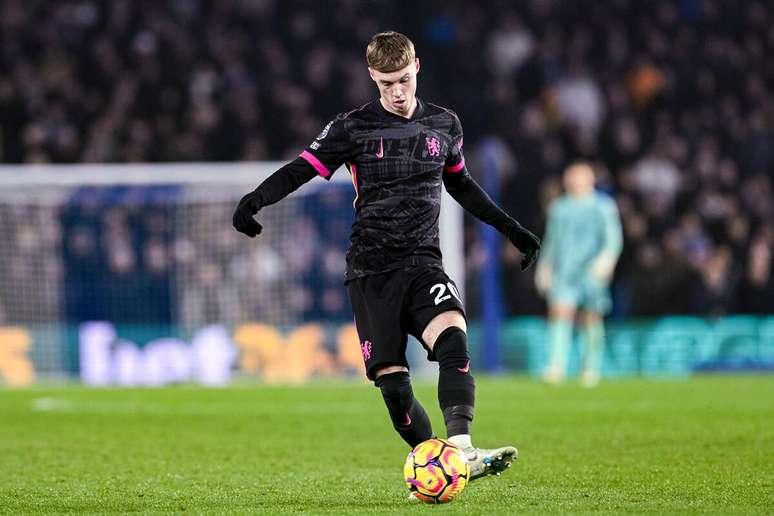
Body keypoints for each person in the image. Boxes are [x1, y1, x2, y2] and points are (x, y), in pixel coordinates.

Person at [233, 31, 540, 481]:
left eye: (402, 80)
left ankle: (461, 449)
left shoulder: (444, 125)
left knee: (453, 337)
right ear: (372, 78)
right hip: (370, 270)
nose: (396, 92)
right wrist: (255, 199)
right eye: (385, 84)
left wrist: (511, 229)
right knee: (394, 388)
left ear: (417, 67)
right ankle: (442, 463)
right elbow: (301, 168)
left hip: (423, 263)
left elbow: (463, 186)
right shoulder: (352, 128)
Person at [535, 162, 623, 387]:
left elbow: (613, 238)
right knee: (559, 313)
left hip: (590, 272)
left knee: (590, 317)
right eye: (570, 177)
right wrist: (544, 267)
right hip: (565, 272)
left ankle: (590, 367)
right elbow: (552, 241)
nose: (573, 181)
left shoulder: (603, 206)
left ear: (590, 179)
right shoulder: (559, 208)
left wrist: (606, 261)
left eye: (578, 176)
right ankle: (557, 366)